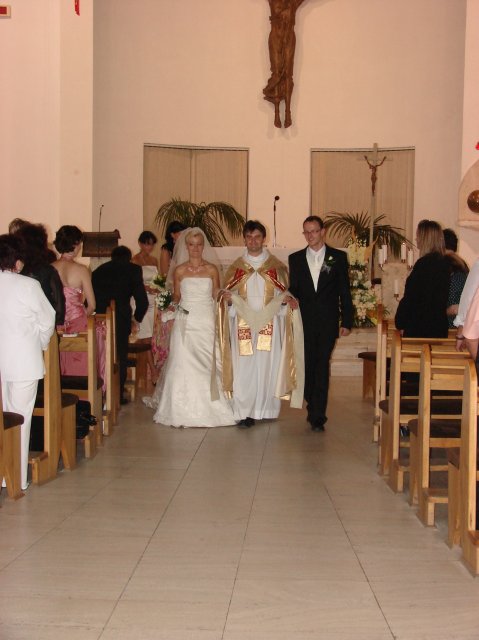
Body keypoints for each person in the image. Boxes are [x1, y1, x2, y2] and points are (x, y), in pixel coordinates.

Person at [145, 228, 235, 428]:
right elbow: (178, 295)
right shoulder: (179, 270)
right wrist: (170, 304)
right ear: (186, 246)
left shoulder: (211, 269)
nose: (195, 248)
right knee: (182, 360)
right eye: (191, 244)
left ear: (203, 246)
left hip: (205, 319)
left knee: (207, 361)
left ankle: (213, 407)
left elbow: (214, 292)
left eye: (199, 244)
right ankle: (180, 409)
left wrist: (223, 295)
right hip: (185, 319)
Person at [219, 220, 302, 428]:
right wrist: (228, 301)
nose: (253, 241)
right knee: (244, 368)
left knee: (267, 366)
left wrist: (286, 302)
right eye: (249, 237)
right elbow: (226, 296)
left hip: (269, 323)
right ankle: (245, 411)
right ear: (244, 239)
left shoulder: (277, 267)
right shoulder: (236, 268)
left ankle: (265, 409)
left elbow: (284, 294)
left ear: (264, 238)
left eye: (257, 236)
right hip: (243, 324)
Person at [0, 234, 56, 491]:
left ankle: (3, 475)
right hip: (24, 361)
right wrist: (40, 343)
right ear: (18, 261)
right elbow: (48, 320)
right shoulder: (28, 285)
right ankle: (16, 478)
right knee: (20, 419)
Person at [288, 215, 353, 432]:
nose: (310, 236)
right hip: (304, 321)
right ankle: (312, 401)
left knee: (322, 365)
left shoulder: (337, 257)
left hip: (327, 320)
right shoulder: (296, 258)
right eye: (306, 232)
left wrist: (347, 320)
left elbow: (344, 291)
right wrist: (289, 298)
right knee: (307, 365)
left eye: (314, 231)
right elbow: (294, 289)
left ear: (322, 231)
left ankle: (318, 415)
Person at [92, 246, 148, 405]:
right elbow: (142, 301)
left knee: (100, 354)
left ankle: (100, 391)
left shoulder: (98, 271)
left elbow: (91, 299)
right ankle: (117, 394)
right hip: (121, 317)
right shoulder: (133, 270)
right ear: (129, 258)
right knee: (120, 355)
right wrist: (136, 319)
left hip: (100, 317)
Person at [52, 225, 101, 377]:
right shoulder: (81, 270)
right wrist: (81, 315)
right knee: (82, 363)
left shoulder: (49, 268)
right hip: (78, 322)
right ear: (75, 244)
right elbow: (92, 305)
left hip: (55, 323)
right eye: (80, 243)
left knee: (56, 363)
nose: (80, 246)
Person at [395, 219, 450, 338]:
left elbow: (411, 298)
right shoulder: (444, 264)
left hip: (420, 328)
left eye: (418, 236)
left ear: (426, 239)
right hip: (438, 327)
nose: (416, 239)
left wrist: (400, 322)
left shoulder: (423, 264)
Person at [263, 0, 306, 128]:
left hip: (289, 36)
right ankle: (276, 113)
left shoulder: (294, 1)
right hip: (275, 36)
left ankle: (288, 113)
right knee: (276, 73)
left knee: (288, 74)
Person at [15, 223, 65, 326]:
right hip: (45, 325)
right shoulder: (49, 271)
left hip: (20, 326)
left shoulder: (15, 271)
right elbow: (59, 306)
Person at [152, 221, 186, 371]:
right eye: (179, 232)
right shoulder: (167, 249)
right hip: (170, 290)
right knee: (168, 330)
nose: (181, 235)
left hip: (184, 291)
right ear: (172, 234)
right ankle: (164, 364)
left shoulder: (186, 248)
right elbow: (164, 273)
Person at [132, 230, 160, 384]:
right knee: (145, 336)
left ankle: (151, 369)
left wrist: (158, 287)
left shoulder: (154, 260)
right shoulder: (134, 260)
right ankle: (152, 370)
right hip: (141, 301)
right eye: (147, 244)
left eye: (151, 245)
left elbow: (158, 279)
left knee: (152, 335)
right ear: (140, 244)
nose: (149, 247)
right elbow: (133, 282)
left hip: (154, 299)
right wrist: (146, 288)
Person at [443, 228, 469, 329]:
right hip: (462, 324)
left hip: (448, 323)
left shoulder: (444, 263)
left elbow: (451, 305)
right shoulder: (463, 264)